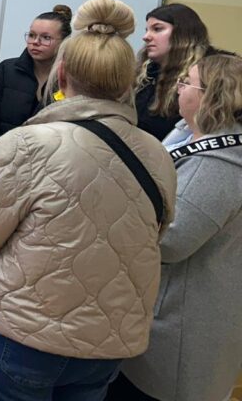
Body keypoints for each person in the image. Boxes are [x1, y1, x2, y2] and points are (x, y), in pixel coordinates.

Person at [0, 0, 177, 401]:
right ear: (130, 82)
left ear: (62, 72)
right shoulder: (158, 154)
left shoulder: (29, 144)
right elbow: (154, 235)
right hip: (107, 343)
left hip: (25, 335)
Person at [110, 54, 242, 401]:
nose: (179, 87)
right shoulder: (188, 133)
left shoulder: (219, 165)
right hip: (174, 309)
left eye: (188, 82)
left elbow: (172, 241)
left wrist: (119, 210)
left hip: (182, 325)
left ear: (211, 97)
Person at [0, 4, 72, 158]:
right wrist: (2, 160)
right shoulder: (5, 71)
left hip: (47, 166)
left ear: (64, 42)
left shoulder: (72, 79)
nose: (35, 42)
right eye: (31, 35)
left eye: (46, 38)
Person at [134, 3, 211, 140]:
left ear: (182, 33)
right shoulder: (146, 72)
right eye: (147, 30)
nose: (146, 37)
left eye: (157, 29)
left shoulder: (208, 75)